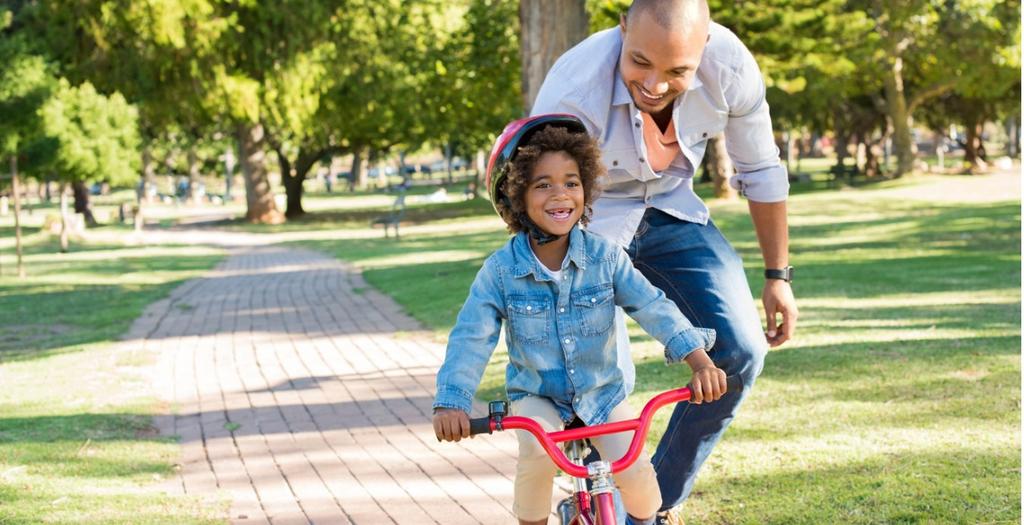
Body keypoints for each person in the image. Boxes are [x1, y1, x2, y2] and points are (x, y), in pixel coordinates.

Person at [530, 0, 799, 522]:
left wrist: (777, 276)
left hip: (673, 209)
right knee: (592, 376)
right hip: (585, 221)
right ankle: (591, 492)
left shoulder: (731, 68)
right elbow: (540, 198)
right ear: (623, 27)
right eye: (640, 63)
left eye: (677, 71)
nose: (654, 84)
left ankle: (651, 507)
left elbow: (761, 168)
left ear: (704, 47)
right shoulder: (573, 91)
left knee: (739, 352)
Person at [432, 114, 727, 525]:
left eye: (571, 182)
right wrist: (452, 403)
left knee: (636, 470)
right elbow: (471, 338)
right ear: (515, 196)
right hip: (538, 397)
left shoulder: (605, 258)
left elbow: (652, 305)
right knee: (535, 456)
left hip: (602, 392)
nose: (561, 195)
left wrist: (699, 359)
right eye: (543, 184)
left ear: (586, 189)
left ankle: (646, 521)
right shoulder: (500, 273)